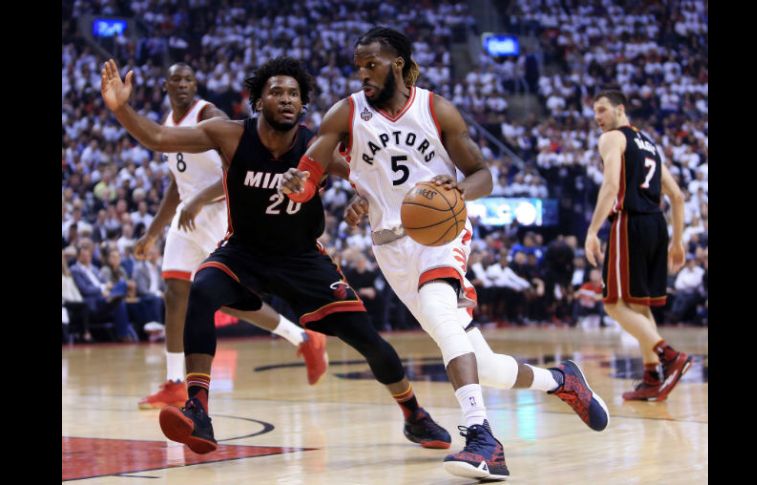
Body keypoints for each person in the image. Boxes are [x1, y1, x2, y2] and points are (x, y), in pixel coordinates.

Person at [281, 27, 608, 480]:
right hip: (390, 246)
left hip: (442, 230)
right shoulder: (347, 112)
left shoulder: (435, 109)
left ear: (396, 62)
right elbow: (312, 165)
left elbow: (483, 175)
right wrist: (301, 183)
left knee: (439, 309)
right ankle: (561, 380)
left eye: (370, 64)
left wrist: (461, 188)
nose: (363, 74)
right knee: (482, 362)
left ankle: (483, 440)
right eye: (358, 66)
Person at [102, 56, 450, 454]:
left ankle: (414, 414)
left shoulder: (314, 146)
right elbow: (159, 138)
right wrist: (121, 108)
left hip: (302, 260)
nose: (286, 99)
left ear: (303, 104)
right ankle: (197, 407)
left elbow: (365, 181)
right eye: (276, 92)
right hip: (243, 252)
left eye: (293, 94)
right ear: (258, 101)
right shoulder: (230, 135)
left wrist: (360, 200)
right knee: (200, 287)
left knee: (369, 341)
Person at [131, 63, 329, 410]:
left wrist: (199, 199)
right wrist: (152, 232)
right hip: (187, 214)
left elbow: (239, 169)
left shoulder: (210, 114)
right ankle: (176, 382)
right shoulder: (167, 121)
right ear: (165, 85)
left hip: (222, 209)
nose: (182, 84)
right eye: (175, 79)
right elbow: (177, 188)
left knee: (226, 296)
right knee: (175, 291)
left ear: (196, 84)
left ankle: (301, 337)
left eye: (188, 79)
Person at [585, 88, 691, 401]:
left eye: (602, 110)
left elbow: (612, 184)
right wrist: (678, 241)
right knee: (639, 305)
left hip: (630, 222)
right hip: (657, 224)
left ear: (620, 109)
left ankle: (669, 356)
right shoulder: (650, 145)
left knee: (614, 304)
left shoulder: (613, 138)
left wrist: (592, 231)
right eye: (595, 113)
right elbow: (678, 196)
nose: (598, 118)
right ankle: (651, 375)